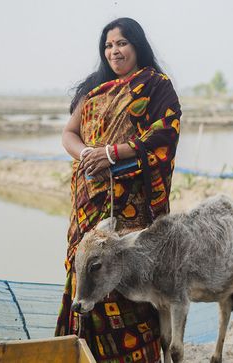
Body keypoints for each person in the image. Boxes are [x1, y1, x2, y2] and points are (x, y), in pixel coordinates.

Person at [56, 17, 181, 363]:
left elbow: (164, 133)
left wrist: (111, 153)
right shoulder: (93, 89)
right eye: (109, 45)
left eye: (122, 43)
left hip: (133, 208)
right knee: (87, 271)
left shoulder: (156, 87)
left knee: (130, 275)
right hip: (89, 202)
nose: (115, 50)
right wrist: (87, 155)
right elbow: (69, 134)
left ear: (137, 45)